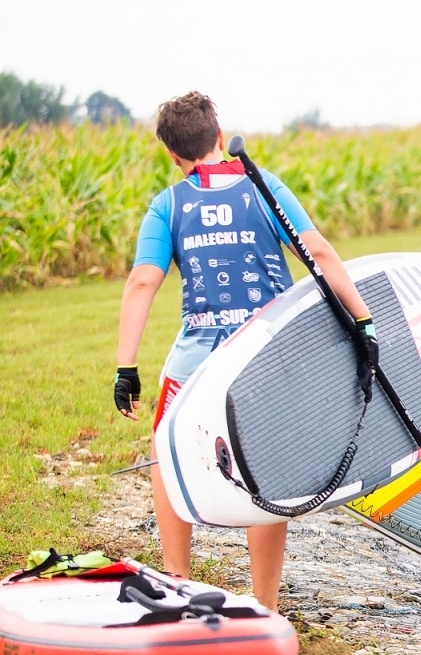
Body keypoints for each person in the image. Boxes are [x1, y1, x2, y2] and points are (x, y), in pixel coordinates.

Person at [114, 92, 372, 612]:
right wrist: (362, 321)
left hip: (198, 358)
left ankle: (176, 580)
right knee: (264, 464)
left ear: (171, 153)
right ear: (218, 133)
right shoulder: (263, 187)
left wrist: (127, 368)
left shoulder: (168, 204)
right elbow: (316, 251)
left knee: (168, 450)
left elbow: (144, 282)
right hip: (266, 357)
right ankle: (267, 605)